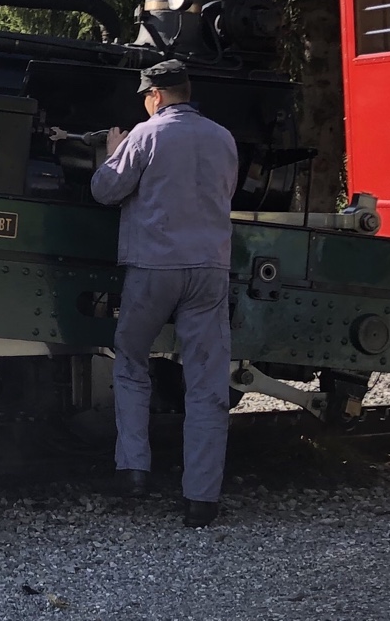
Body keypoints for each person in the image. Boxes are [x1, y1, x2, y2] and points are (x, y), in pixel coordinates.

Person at [90, 58, 239, 527]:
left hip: (154, 267)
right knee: (207, 381)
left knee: (132, 359)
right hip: (210, 269)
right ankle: (202, 500)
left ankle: (134, 469)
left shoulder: (146, 134)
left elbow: (105, 190)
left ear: (155, 96)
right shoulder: (223, 137)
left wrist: (113, 152)